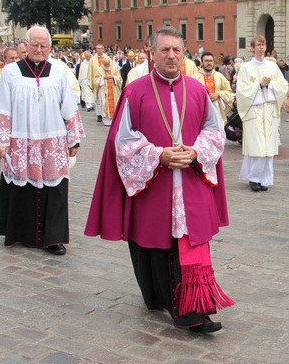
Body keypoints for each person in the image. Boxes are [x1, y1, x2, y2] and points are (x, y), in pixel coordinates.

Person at [85, 26, 233, 334]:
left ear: (184, 53)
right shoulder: (135, 91)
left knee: (188, 245)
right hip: (154, 181)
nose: (171, 55)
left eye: (176, 50)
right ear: (152, 53)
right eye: (164, 50)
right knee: (152, 243)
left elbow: (214, 132)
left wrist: (194, 152)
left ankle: (191, 311)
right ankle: (156, 297)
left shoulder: (195, 90)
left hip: (190, 182)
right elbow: (123, 141)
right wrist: (158, 156)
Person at [0, 26, 85, 256]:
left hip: (52, 140)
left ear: (50, 48)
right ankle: (22, 233)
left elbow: (69, 107)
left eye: (44, 46)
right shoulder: (11, 72)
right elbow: (2, 106)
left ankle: (54, 238)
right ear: (26, 46)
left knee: (55, 189)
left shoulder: (59, 72)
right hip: (21, 140)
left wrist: (74, 139)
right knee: (22, 186)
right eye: (35, 45)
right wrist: (0, 141)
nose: (39, 50)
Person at [235, 35, 289, 192]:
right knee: (256, 146)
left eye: (263, 44)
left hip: (269, 110)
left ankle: (265, 179)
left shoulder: (272, 67)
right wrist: (259, 85)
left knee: (268, 148)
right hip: (254, 110)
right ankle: (253, 178)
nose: (261, 47)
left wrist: (270, 85)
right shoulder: (245, 68)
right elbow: (241, 90)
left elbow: (282, 86)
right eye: (258, 45)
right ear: (252, 48)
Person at [199, 51, 234, 127]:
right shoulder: (195, 77)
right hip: (200, 112)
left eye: (211, 61)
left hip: (217, 111)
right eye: (206, 61)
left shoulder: (219, 76)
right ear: (201, 63)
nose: (209, 63)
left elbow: (229, 92)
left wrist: (218, 95)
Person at [97, 55, 123, 126]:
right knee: (105, 104)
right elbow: (95, 80)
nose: (106, 65)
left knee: (115, 104)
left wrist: (113, 77)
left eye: (107, 64)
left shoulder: (114, 69)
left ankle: (114, 120)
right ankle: (106, 120)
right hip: (104, 91)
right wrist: (103, 77)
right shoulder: (100, 69)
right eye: (105, 64)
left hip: (113, 90)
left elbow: (119, 78)